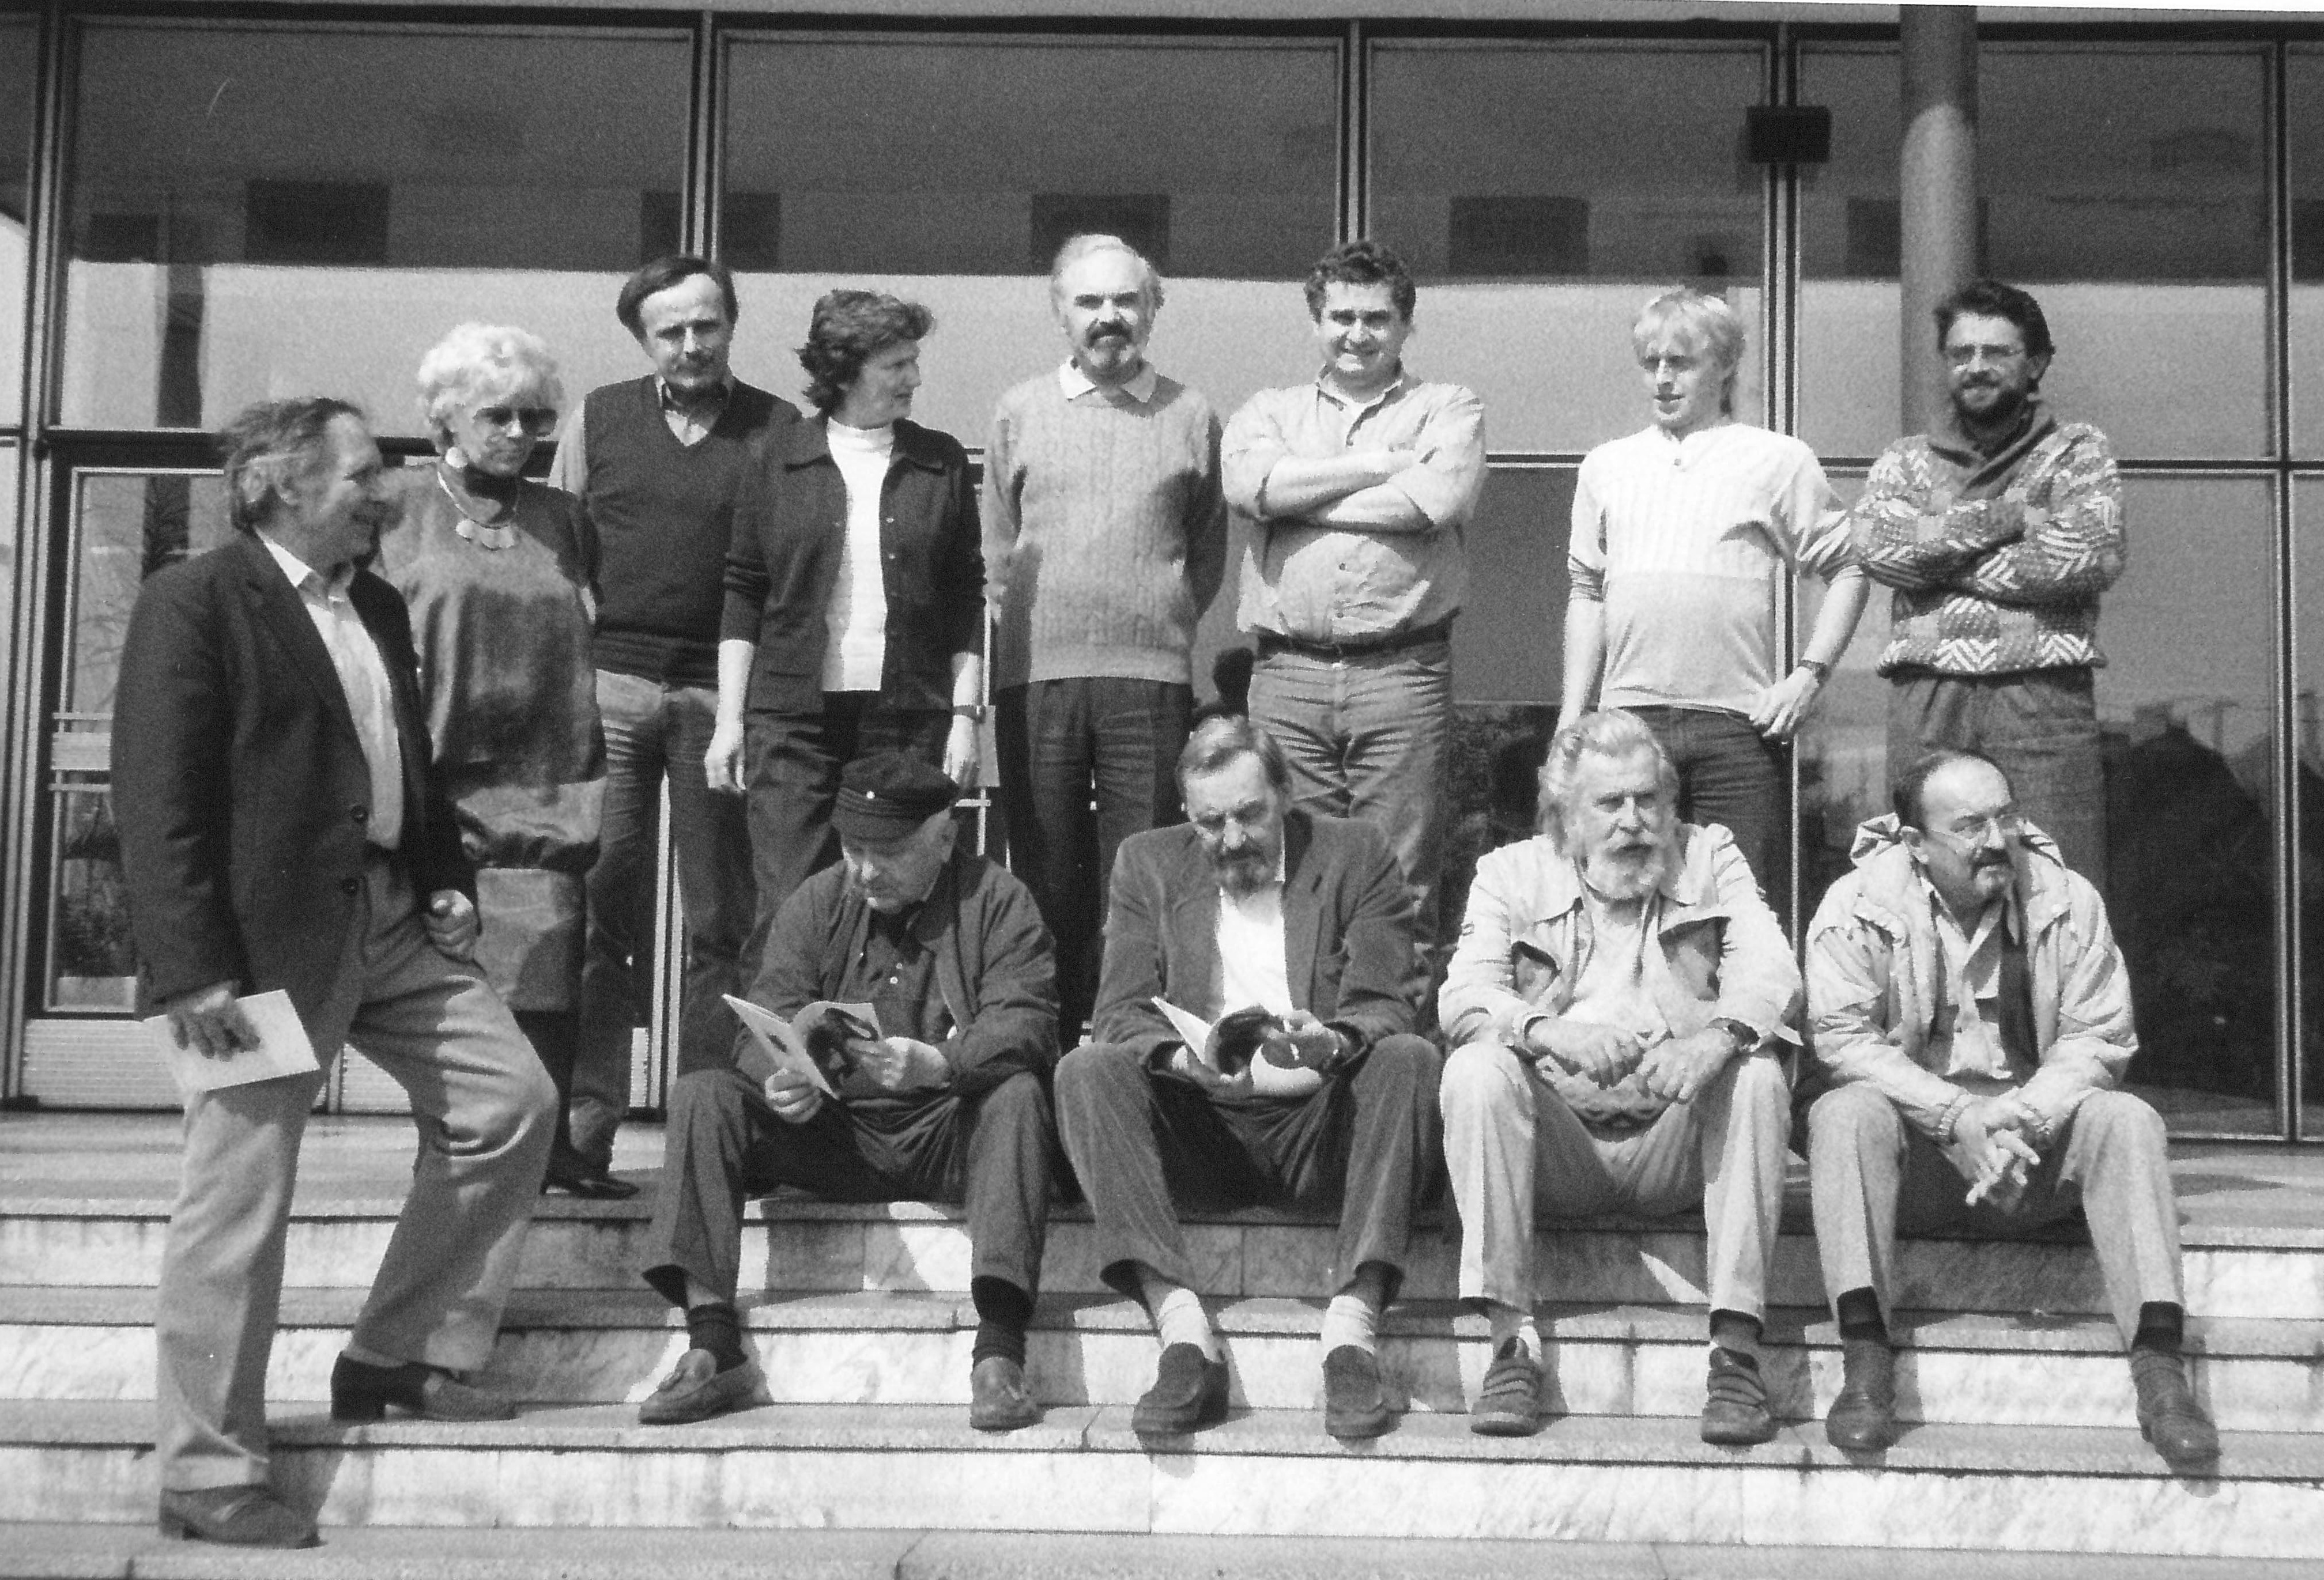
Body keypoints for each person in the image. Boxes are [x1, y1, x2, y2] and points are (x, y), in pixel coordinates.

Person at [116, 398, 556, 1549]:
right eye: (362, 474)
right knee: (236, 1203)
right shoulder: (194, 602)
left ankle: (392, 1356)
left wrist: (445, 872)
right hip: (253, 956)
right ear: (279, 484)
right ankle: (206, 1471)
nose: (384, 491)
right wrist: (193, 974)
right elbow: (157, 803)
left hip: (394, 920)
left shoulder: (375, 601)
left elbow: (407, 758)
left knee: (511, 1103)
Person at [1804, 749, 2216, 1468]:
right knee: (1843, 1114)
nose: (1997, 840)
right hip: (1924, 1160)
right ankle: (1866, 1361)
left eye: (2006, 817)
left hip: (2033, 1151)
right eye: (1970, 826)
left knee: (2129, 1120)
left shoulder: (2068, 899)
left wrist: (2022, 1118)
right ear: (1915, 843)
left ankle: (2162, 1373)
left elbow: (2098, 1036)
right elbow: (1842, 1040)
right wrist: (1955, 1117)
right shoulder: (1855, 906)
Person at [637, 753, 1059, 1433]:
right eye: (853, 849)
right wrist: (782, 1079)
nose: (865, 870)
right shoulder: (819, 899)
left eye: (887, 852)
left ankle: (1000, 1351)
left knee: (1016, 1096)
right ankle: (711, 1342)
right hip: (835, 1133)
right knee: (703, 1094)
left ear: (944, 839)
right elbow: (765, 1014)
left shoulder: (998, 900)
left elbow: (1029, 1025)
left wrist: (942, 1064)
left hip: (945, 1131)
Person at [1054, 716, 1441, 1442]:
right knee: (1086, 1069)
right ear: (1188, 817)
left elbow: (1389, 1001)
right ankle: (1183, 1335)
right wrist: (1184, 1061)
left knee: (1409, 1059)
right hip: (1203, 1122)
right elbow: (1119, 1012)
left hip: (1321, 1122)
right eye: (1211, 823)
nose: (1233, 839)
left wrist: (1333, 1041)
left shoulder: (1355, 852)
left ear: (1286, 796)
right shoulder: (1146, 863)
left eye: (1249, 815)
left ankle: (1352, 1333)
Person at [1438, 709, 1798, 1444]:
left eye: (1648, 800)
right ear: (1565, 817)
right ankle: (1511, 1345)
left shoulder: (1712, 855)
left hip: (1674, 1137)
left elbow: (1773, 970)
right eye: (1610, 804)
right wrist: (1548, 1031)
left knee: (1755, 1072)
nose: (1634, 822)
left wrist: (1715, 1040)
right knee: (1476, 1069)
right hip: (1558, 1146)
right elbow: (1463, 995)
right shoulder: (1508, 872)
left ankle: (1736, 1353)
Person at [548, 255, 797, 1159]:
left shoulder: (779, 427)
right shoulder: (598, 417)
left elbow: (787, 566)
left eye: (707, 325)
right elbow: (561, 546)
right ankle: (585, 1134)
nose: (692, 344)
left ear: (731, 323)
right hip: (612, 689)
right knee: (597, 907)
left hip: (719, 700)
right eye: (671, 331)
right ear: (642, 339)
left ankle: (706, 1126)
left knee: (722, 920)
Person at [378, 323, 612, 1196]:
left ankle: (551, 1151)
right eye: (497, 416)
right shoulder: (397, 510)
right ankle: (456, 1152)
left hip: (550, 784)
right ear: (446, 417)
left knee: (550, 961)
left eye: (534, 417)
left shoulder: (564, 520)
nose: (519, 433)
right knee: (451, 977)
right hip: (438, 777)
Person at [984, 234, 1229, 1040]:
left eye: (1126, 299)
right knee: (1046, 877)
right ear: (1061, 313)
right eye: (1089, 301)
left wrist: (1157, 616)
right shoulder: (1019, 410)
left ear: (1153, 309)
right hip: (1038, 679)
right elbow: (998, 549)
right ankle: (1046, 1052)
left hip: (1150, 679)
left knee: (1145, 875)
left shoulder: (1191, 414)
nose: (1109, 316)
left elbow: (1206, 550)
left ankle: (1132, 1047)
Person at [1562, 287, 1865, 914]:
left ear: (1724, 365)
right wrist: (1573, 716)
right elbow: (1586, 592)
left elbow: (1849, 568)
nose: (1663, 378)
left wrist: (1808, 677)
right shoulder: (1606, 466)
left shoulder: (1777, 460)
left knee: (1739, 909)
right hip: (1629, 724)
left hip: (1737, 728)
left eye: (1681, 362)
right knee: (1621, 905)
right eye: (1651, 363)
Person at [1221, 239, 1486, 957]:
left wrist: (1298, 497)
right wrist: (1374, 466)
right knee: (1294, 868)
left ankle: (1385, 1025)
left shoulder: (1447, 407)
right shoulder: (1269, 411)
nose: (1357, 334)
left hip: (1401, 674)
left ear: (1405, 325)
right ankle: (1304, 1022)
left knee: (1399, 877)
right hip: (1288, 676)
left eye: (1376, 318)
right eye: (1341, 317)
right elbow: (1249, 488)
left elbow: (1432, 502)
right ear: (1317, 322)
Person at [707, 290, 984, 959]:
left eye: (913, 361)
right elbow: (744, 590)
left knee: (897, 896)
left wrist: (965, 716)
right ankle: (784, 1028)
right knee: (789, 900)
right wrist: (730, 720)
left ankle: (884, 1027)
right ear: (845, 370)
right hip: (792, 721)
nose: (914, 378)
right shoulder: (776, 456)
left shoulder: (941, 460)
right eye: (897, 365)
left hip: (906, 717)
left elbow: (964, 598)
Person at [1847, 278, 2125, 886]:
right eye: (1961, 353)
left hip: (2042, 695)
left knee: (2058, 881)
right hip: (1927, 693)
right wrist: (2012, 518)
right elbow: (1875, 550)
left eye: (1997, 352)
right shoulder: (1904, 459)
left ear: (2036, 363)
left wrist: (1936, 555)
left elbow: (2089, 555)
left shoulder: (2077, 451)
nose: (1976, 366)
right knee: (1921, 882)